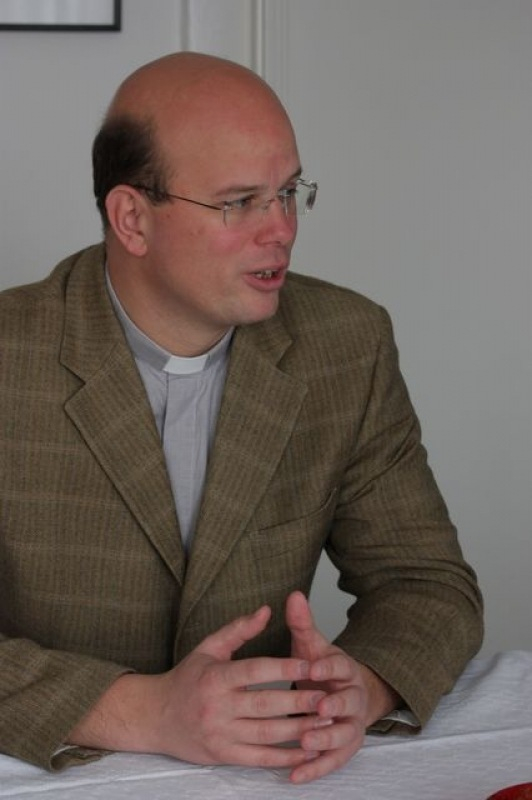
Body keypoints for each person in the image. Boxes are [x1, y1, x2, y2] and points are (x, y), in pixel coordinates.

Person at [0, 52, 483, 784]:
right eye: (239, 202)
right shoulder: (11, 356)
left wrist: (361, 686)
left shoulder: (345, 344)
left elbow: (426, 581)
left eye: (288, 193)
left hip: (268, 775)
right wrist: (142, 712)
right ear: (132, 218)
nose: (281, 229)